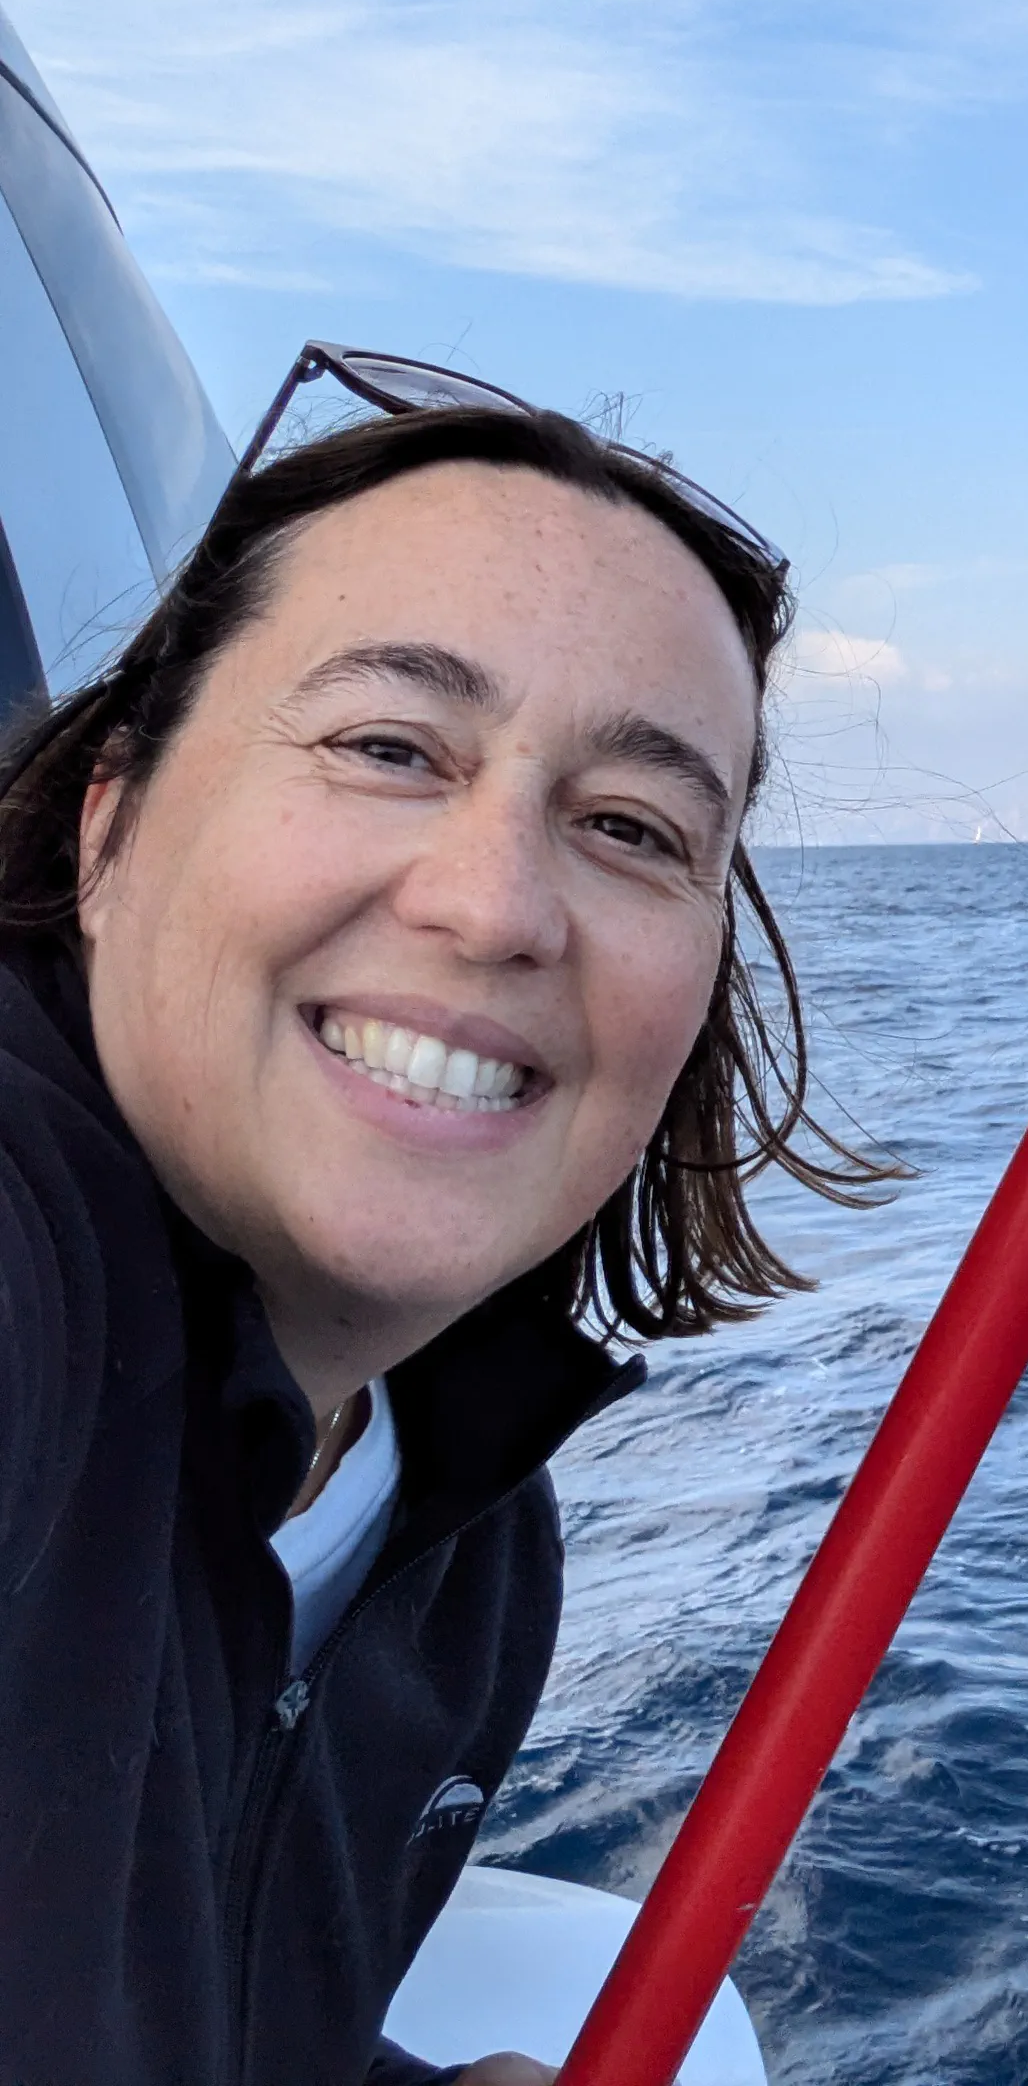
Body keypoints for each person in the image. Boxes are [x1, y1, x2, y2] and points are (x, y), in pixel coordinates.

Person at [0, 395, 888, 2084]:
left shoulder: (471, 1547)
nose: (493, 905)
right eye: (390, 747)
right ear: (109, 826)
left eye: (630, 827)